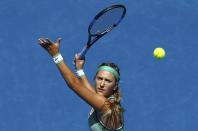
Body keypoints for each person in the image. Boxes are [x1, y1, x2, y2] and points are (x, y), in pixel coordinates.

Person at [38, 38, 124, 131]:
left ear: (115, 86)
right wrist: (79, 70)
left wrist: (56, 55)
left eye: (107, 81)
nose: (102, 84)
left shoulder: (107, 107)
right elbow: (92, 94)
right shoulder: (103, 100)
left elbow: (74, 85)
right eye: (99, 79)